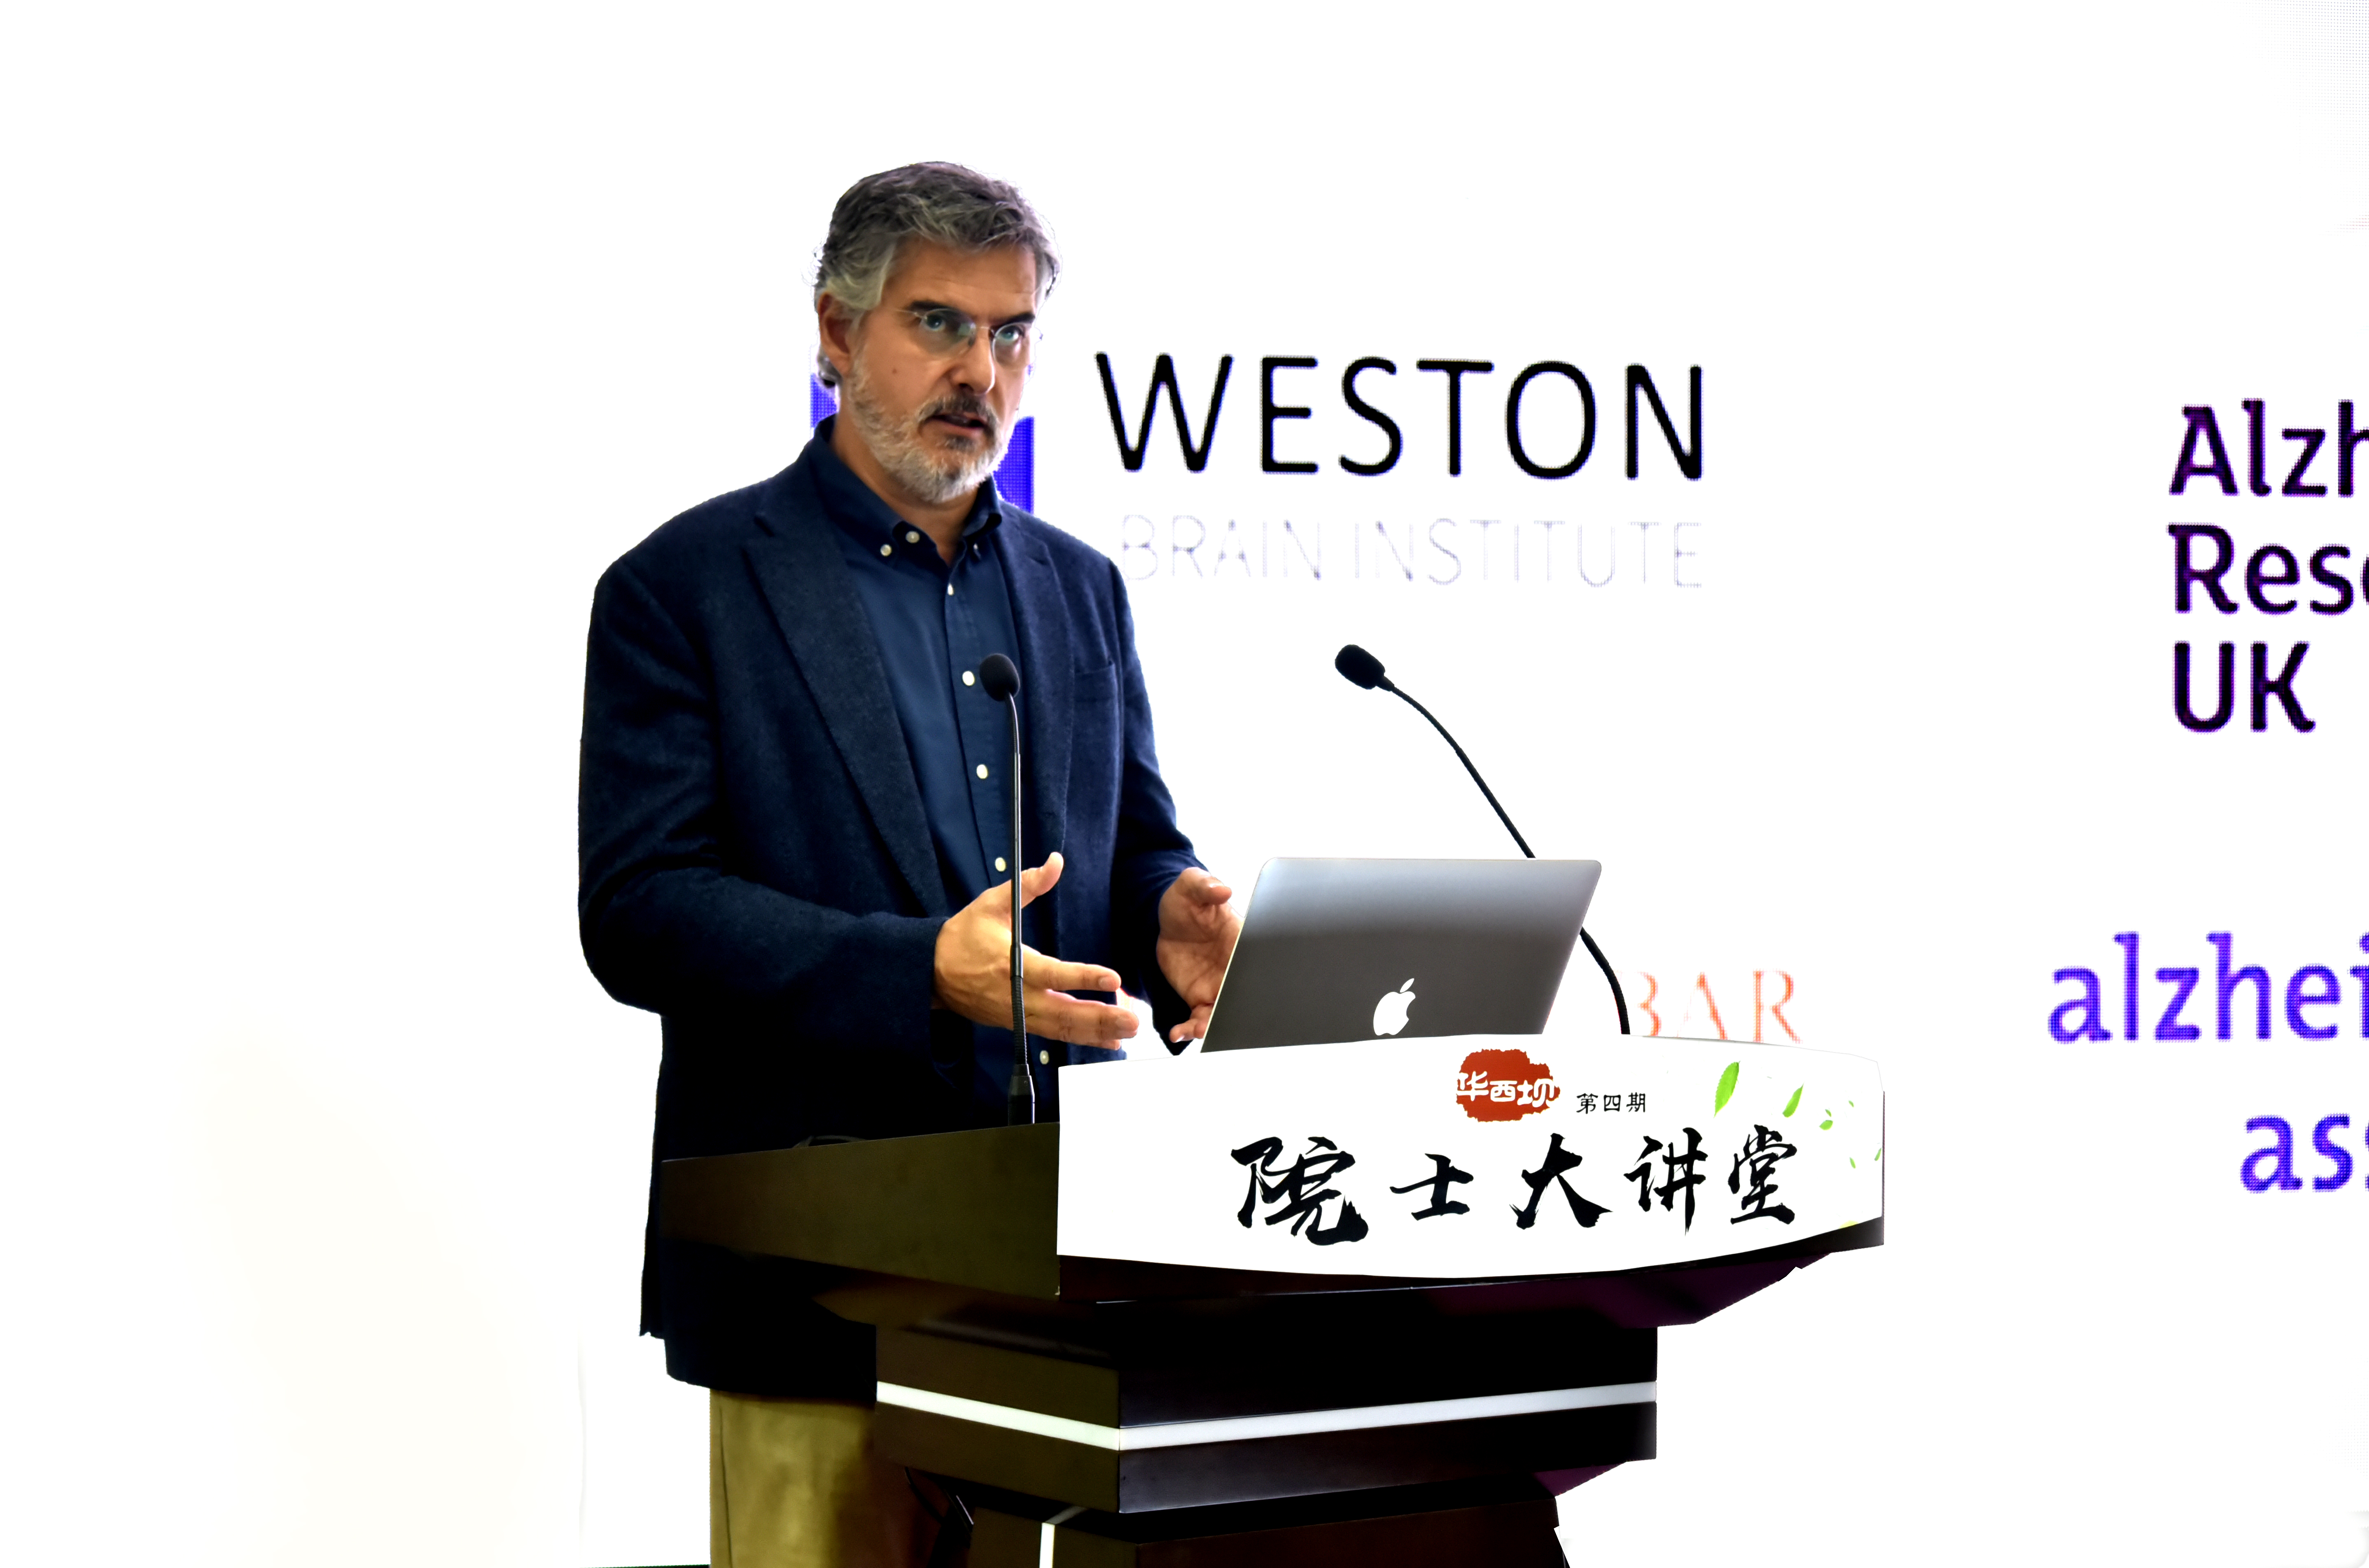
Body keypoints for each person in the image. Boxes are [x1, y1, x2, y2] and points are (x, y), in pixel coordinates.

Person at [576, 163, 1239, 1567]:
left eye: (1010, 335)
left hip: (1065, 1268)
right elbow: (640, 911)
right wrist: (919, 974)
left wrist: (1167, 914)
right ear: (835, 330)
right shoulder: (685, 586)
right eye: (939, 324)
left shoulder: (1078, 587)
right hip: (813, 1265)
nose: (979, 373)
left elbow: (1123, 849)